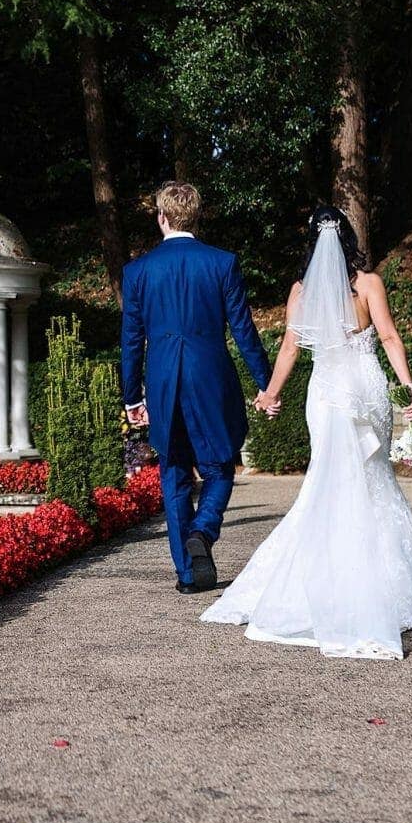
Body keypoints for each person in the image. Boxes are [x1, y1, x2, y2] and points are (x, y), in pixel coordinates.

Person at [201, 205, 412, 659]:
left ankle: (321, 581)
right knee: (374, 479)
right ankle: (383, 585)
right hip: (366, 386)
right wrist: (410, 387)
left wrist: (270, 394)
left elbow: (291, 348)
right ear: (349, 238)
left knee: (327, 480)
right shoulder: (369, 282)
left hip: (327, 392)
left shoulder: (302, 289)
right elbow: (391, 338)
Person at [121, 182, 272, 594]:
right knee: (220, 465)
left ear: (162, 217)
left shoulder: (138, 271)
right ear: (196, 216)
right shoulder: (222, 263)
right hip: (211, 378)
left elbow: (132, 340)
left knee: (173, 472)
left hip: (164, 381)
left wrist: (132, 396)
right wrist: (268, 383)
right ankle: (203, 531)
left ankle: (188, 574)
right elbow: (244, 331)